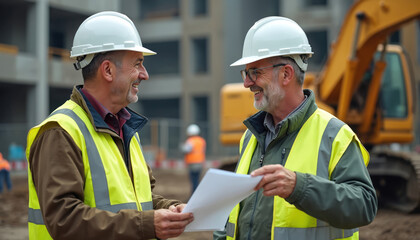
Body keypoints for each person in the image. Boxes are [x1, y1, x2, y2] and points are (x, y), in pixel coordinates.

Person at [26, 11, 193, 240]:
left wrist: (171, 208)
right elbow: (63, 219)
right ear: (107, 70)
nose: (144, 74)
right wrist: (146, 224)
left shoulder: (125, 128)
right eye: (138, 64)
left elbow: (140, 198)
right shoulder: (60, 131)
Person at [214, 16, 377, 240]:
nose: (247, 83)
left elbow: (364, 206)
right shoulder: (250, 138)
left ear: (286, 74)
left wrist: (299, 187)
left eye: (254, 72)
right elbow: (234, 216)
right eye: (246, 73)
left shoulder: (335, 135)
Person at [182, 124, 206, 194]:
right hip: (200, 163)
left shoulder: (190, 141)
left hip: (192, 163)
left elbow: (187, 150)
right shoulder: (201, 140)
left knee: (194, 181)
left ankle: (194, 195)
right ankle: (197, 194)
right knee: (197, 179)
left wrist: (182, 148)